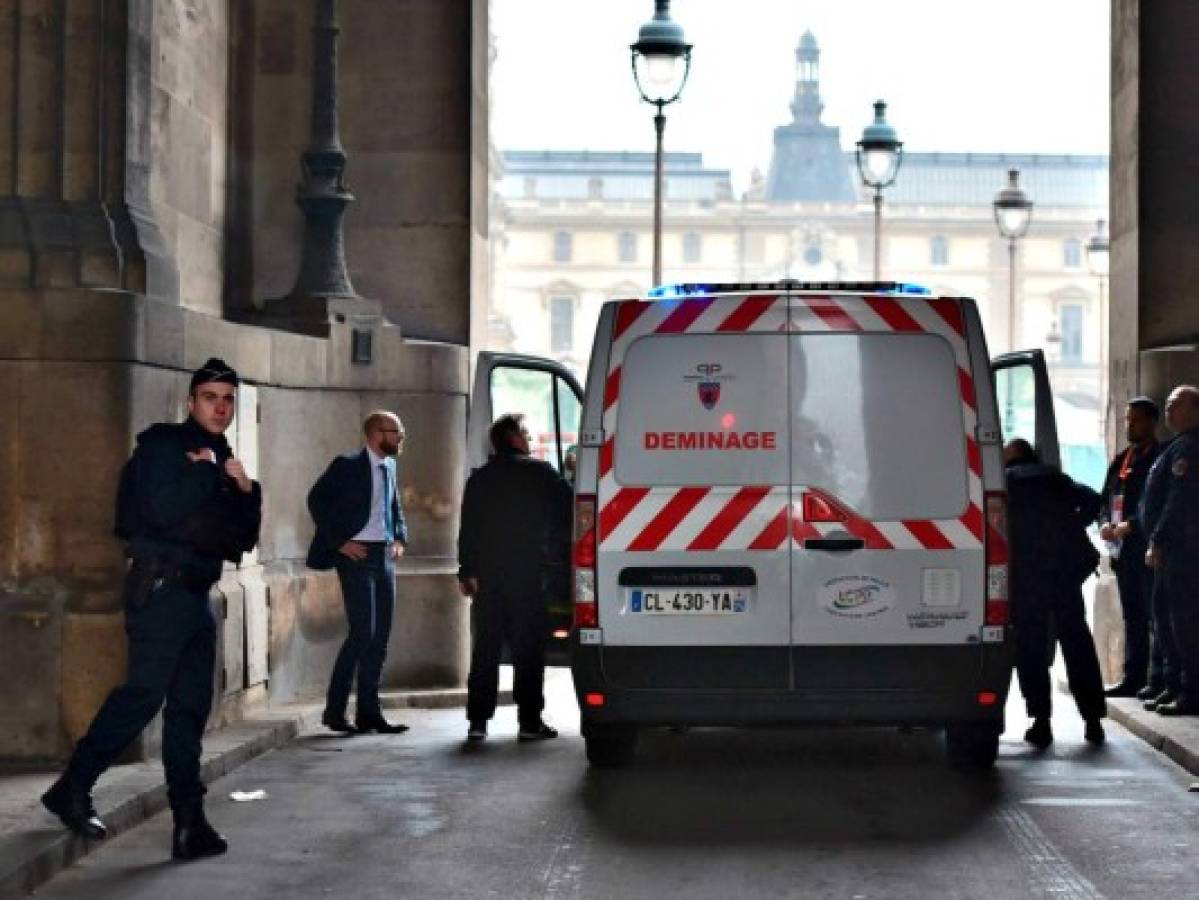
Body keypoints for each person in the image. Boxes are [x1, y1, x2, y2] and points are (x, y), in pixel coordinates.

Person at [41, 358, 262, 859]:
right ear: (191, 402)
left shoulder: (221, 456)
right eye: (210, 397)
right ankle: (71, 788)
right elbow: (161, 512)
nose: (220, 407)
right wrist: (208, 476)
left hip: (196, 596)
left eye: (228, 399)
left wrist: (247, 494)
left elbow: (238, 541)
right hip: (161, 590)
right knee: (142, 697)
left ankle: (189, 821)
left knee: (189, 711)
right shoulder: (163, 446)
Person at [457, 413, 572, 743]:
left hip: (489, 577)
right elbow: (570, 510)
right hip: (529, 574)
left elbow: (469, 530)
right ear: (514, 438)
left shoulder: (479, 479)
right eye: (526, 434)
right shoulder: (541, 474)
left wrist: (467, 571)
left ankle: (478, 721)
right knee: (528, 649)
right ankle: (529, 721)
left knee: (486, 649)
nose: (530, 440)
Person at [307, 412, 410, 735]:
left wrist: (400, 537)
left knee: (380, 639)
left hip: (384, 556)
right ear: (377, 434)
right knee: (362, 633)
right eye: (397, 432)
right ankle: (335, 712)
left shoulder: (390, 466)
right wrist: (340, 542)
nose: (401, 438)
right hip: (357, 556)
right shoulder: (346, 465)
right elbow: (316, 500)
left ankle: (369, 712)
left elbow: (394, 507)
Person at [1004, 438, 1106, 748]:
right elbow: (1093, 499)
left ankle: (1041, 720)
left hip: (1027, 575)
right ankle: (1092, 719)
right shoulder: (1054, 477)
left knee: (1031, 647)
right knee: (1076, 641)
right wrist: (1071, 525)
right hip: (1064, 573)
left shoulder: (1007, 481)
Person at [1098, 397, 1161, 696]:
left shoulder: (1160, 458)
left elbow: (1157, 504)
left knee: (1156, 616)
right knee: (1132, 616)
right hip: (1122, 552)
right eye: (1127, 420)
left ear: (1151, 422)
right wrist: (1104, 524)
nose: (1129, 425)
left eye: (1135, 420)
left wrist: (1131, 525)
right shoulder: (1122, 459)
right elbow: (1106, 499)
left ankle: (1159, 679)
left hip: (1149, 550)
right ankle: (1133, 677)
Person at [1144, 385, 1199, 716]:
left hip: (1183, 552)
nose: (1169, 410)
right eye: (1166, 405)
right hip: (1173, 553)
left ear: (1195, 410)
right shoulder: (1176, 446)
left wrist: (1158, 540)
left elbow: (1178, 502)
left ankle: (1191, 693)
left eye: (1176, 405)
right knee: (1165, 621)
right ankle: (1174, 685)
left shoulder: (1189, 450)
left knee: (1184, 624)